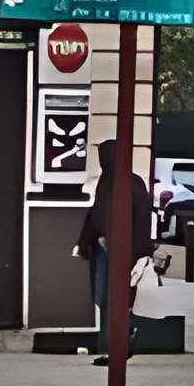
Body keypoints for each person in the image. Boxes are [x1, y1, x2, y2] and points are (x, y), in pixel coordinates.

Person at [75, 139, 155, 357]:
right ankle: (119, 340)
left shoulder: (123, 182)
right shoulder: (120, 181)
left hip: (118, 248)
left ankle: (120, 342)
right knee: (110, 296)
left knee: (112, 296)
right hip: (112, 247)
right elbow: (98, 214)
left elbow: (99, 215)